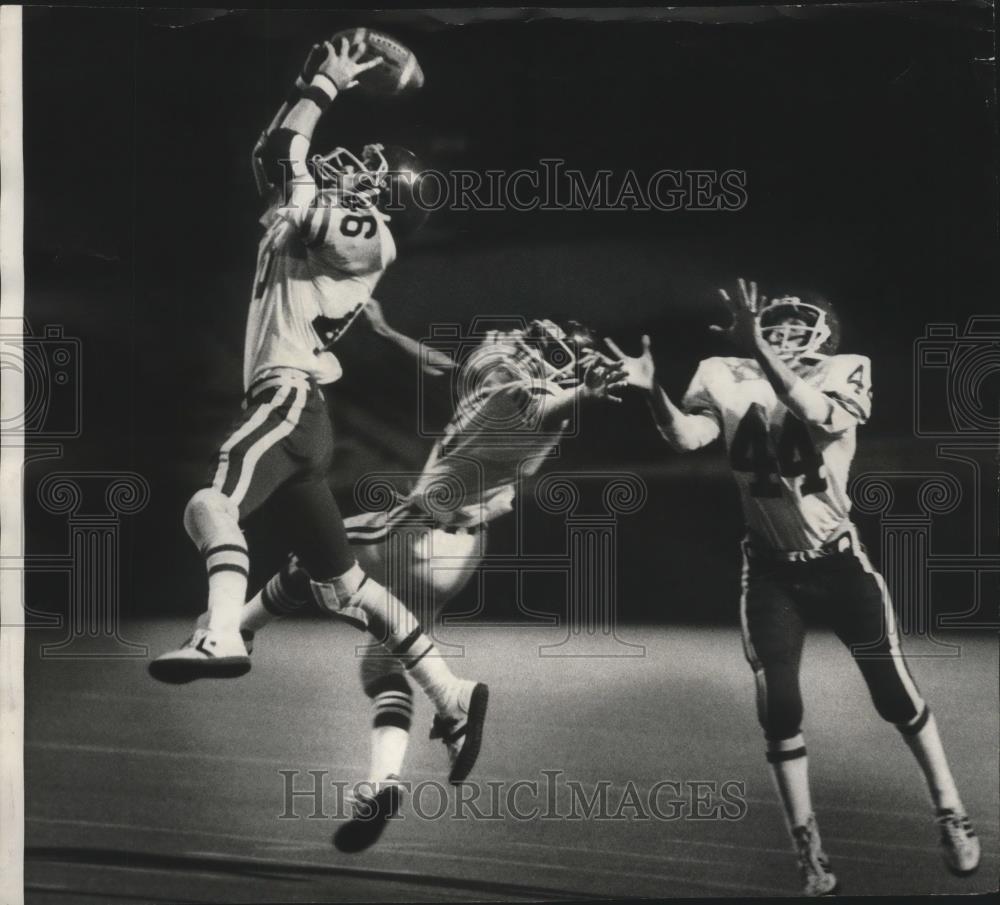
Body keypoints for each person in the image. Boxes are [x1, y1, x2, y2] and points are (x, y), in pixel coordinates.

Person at [149, 39, 488, 785]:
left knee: (211, 501)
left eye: (369, 172)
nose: (352, 168)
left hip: (288, 395)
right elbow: (275, 155)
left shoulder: (367, 234)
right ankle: (453, 695)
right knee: (344, 587)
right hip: (308, 411)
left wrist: (327, 86)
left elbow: (284, 155)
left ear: (386, 200)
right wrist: (310, 85)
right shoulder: (317, 219)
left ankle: (220, 636)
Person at [607, 279, 980, 896]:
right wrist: (654, 395)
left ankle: (948, 807)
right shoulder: (721, 371)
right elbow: (685, 439)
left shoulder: (845, 368)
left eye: (786, 327)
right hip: (772, 568)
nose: (775, 333)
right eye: (767, 326)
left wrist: (763, 353)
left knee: (893, 693)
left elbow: (814, 412)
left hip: (838, 560)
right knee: (779, 706)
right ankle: (805, 843)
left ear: (821, 334)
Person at [239, 317, 627, 851]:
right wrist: (385, 332)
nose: (507, 339)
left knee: (316, 551)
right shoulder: (502, 382)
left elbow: (541, 406)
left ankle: (239, 629)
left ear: (547, 356)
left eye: (526, 340)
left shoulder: (526, 392)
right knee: (382, 665)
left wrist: (583, 392)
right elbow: (449, 366)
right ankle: (382, 783)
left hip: (423, 531)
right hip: (462, 546)